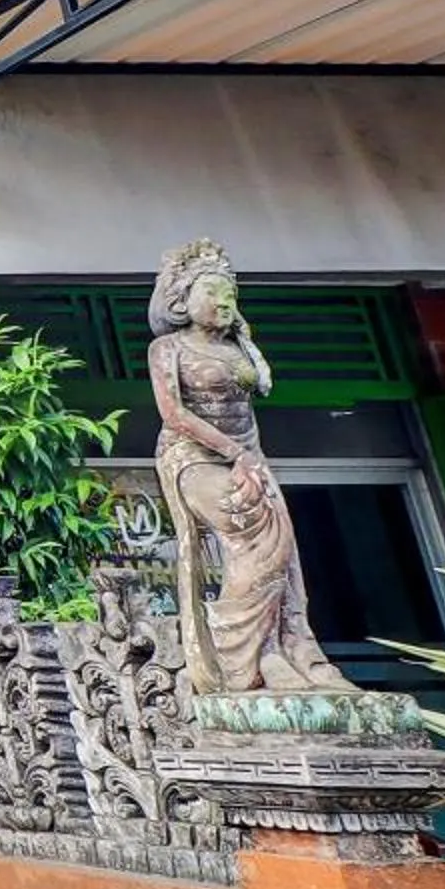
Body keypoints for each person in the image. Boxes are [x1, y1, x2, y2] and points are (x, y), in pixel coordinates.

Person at [147, 239, 349, 696]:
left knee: (285, 551)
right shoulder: (168, 348)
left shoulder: (237, 347)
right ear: (183, 301)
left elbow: (262, 385)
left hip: (247, 453)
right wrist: (233, 454)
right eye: (212, 292)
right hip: (193, 456)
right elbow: (174, 414)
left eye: (229, 295)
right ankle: (248, 659)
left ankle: (296, 651)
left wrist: (244, 336)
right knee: (252, 524)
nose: (222, 302)